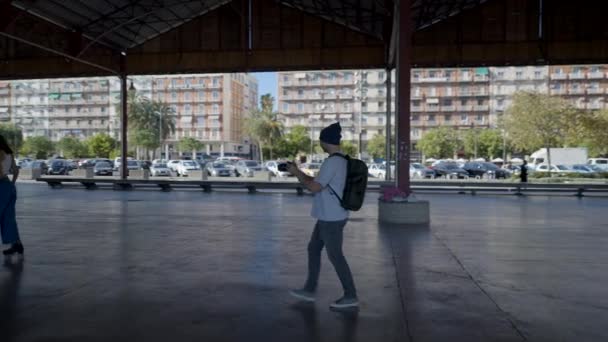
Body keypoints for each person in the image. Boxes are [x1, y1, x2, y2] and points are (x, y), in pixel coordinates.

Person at [287, 122, 358, 309]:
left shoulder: (332, 162)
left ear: (324, 141)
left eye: (320, 140)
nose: (319, 143)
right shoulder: (342, 160)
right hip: (328, 215)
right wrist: (299, 173)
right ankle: (309, 289)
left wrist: (295, 172)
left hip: (331, 218)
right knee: (313, 249)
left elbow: (314, 187)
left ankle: (351, 295)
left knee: (335, 256)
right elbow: (318, 182)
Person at [0, 135, 23, 257]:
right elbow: (16, 170)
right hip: (8, 186)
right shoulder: (9, 154)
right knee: (9, 218)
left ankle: (16, 244)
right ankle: (17, 244)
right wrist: (12, 184)